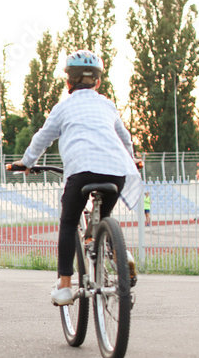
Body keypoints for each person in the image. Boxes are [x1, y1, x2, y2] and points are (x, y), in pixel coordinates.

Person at [11, 50, 142, 305]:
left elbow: (43, 137)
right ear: (99, 82)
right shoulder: (107, 104)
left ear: (67, 82)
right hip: (117, 169)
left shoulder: (63, 107)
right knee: (103, 216)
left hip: (82, 170)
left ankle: (64, 286)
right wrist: (133, 157)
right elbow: (124, 137)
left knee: (69, 222)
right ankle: (117, 251)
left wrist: (27, 163)